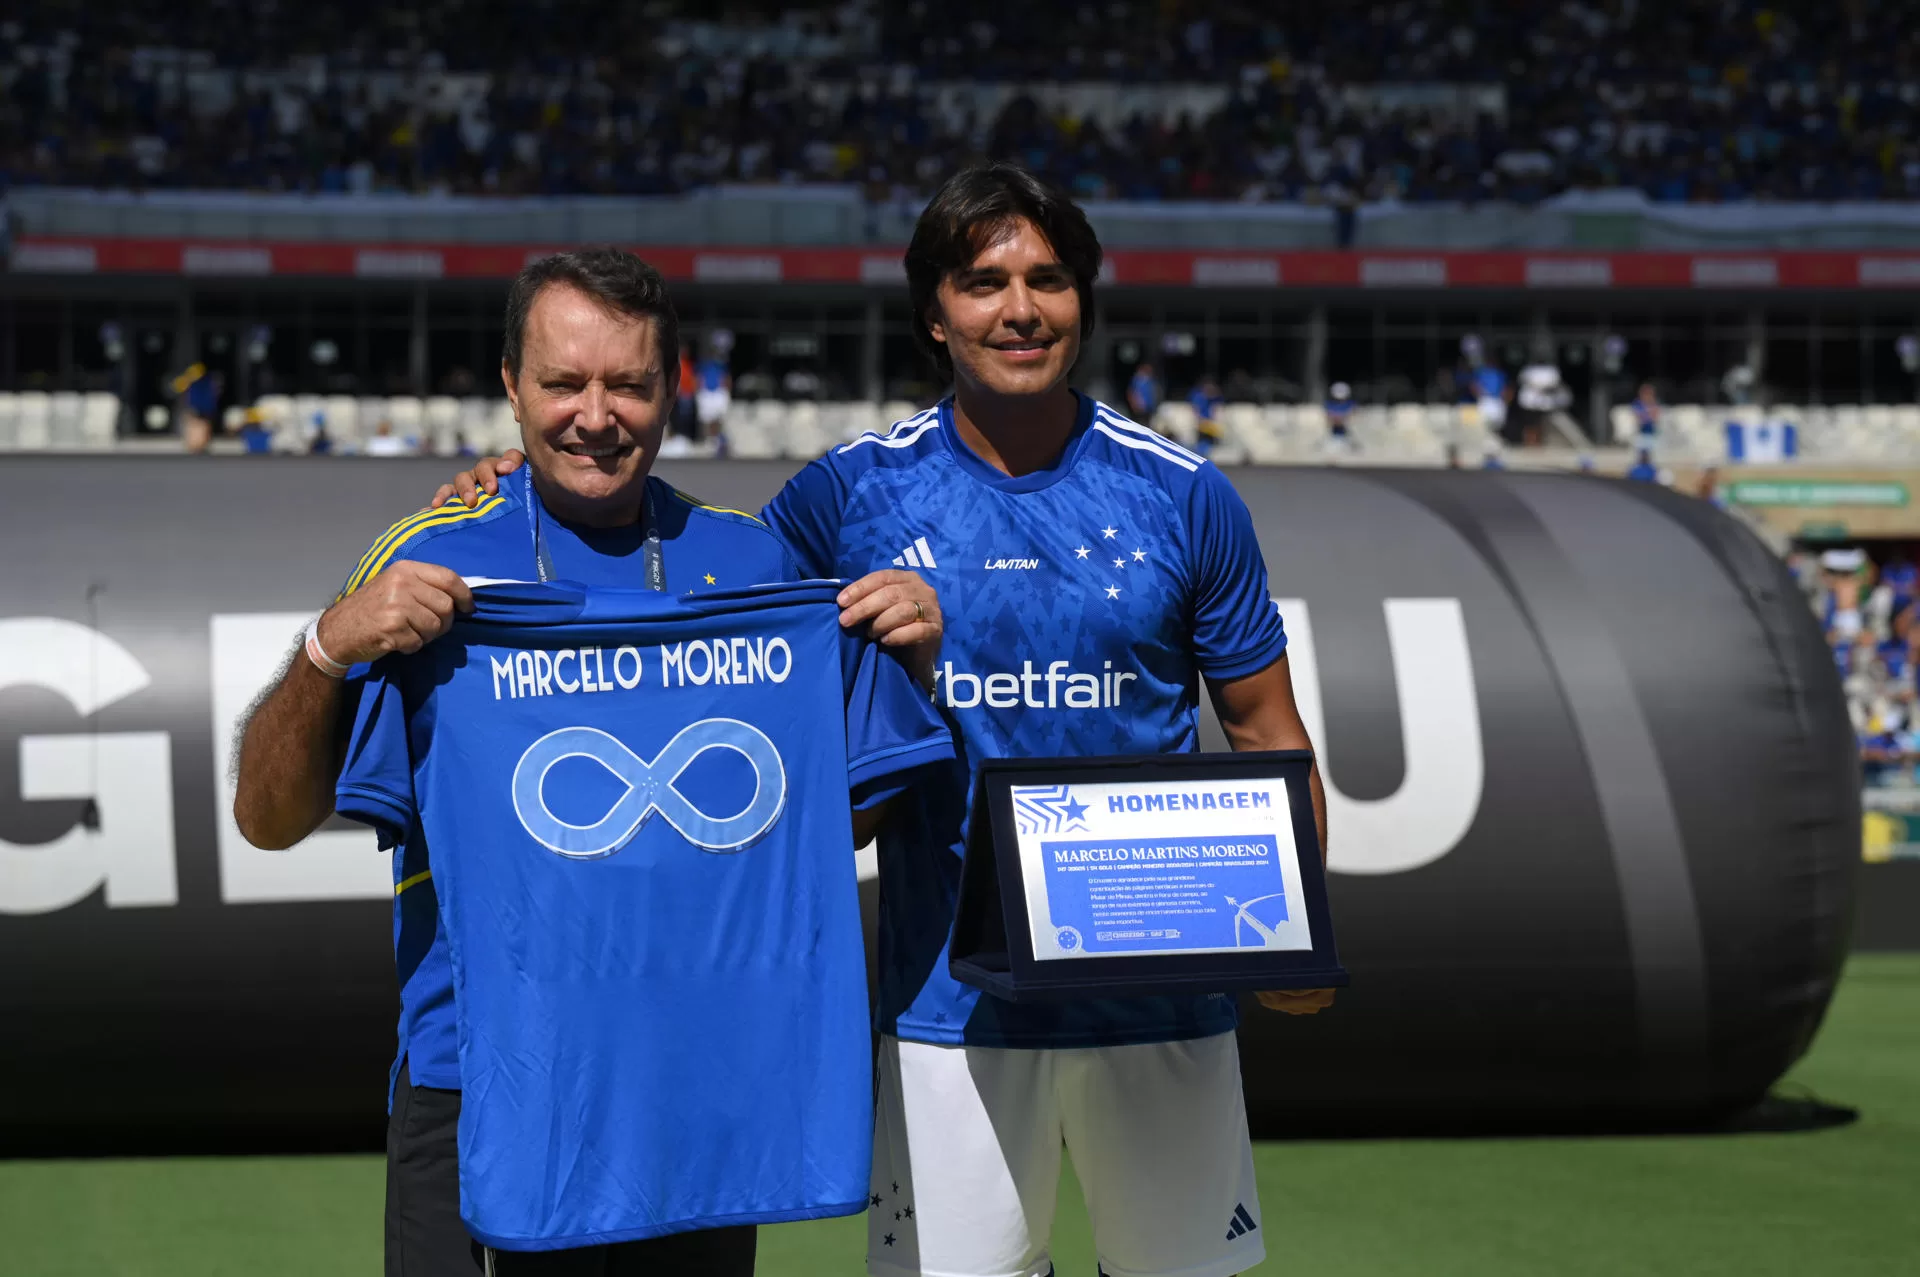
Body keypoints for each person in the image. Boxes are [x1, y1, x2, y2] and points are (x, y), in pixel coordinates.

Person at [442, 162, 1330, 1277]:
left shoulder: (1186, 494)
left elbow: (1268, 732)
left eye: (1049, 280)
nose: (1019, 308)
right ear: (933, 313)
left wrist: (1298, 936)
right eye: (983, 281)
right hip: (945, 1005)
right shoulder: (848, 495)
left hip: (1163, 989)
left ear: (1084, 302)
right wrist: (517, 484)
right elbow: (692, 626)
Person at [231, 246, 942, 1277]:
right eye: (564, 382)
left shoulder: (755, 564)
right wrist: (329, 645)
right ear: (512, 386)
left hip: (691, 1086)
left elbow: (819, 831)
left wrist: (904, 670)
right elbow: (266, 815)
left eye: (630, 383)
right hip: (480, 1084)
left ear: (675, 388)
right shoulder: (432, 559)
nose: (596, 415)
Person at [1188, 373, 1224, 455]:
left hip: (1210, 423)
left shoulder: (1214, 397)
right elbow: (1195, 410)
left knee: (1215, 435)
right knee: (1202, 437)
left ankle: (1208, 451)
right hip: (1202, 422)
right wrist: (1200, 420)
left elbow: (1217, 407)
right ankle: (1200, 451)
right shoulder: (1198, 396)